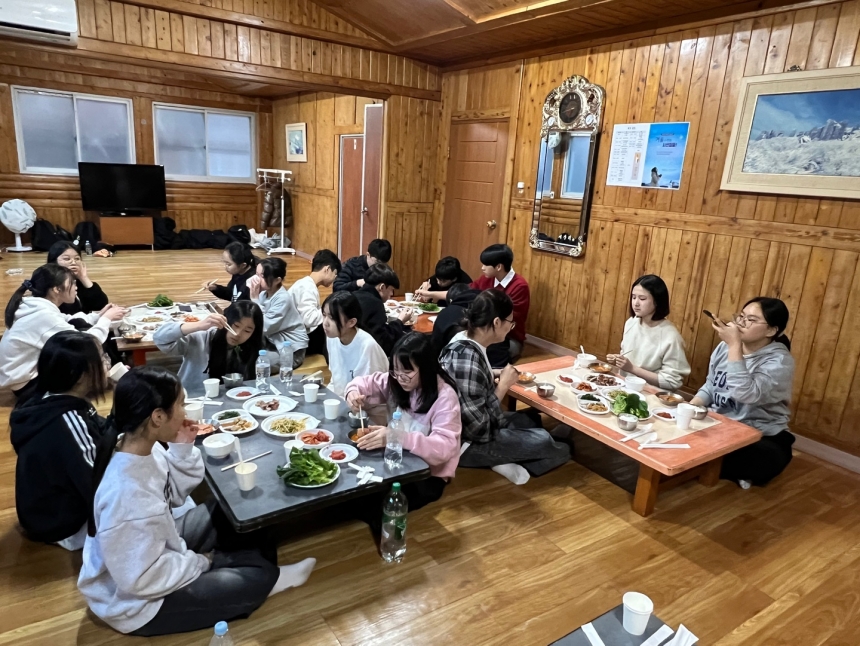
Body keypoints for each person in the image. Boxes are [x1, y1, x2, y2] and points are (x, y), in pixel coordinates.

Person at [78, 367, 316, 636]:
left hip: (157, 549)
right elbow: (140, 579)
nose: (186, 412)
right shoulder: (127, 495)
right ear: (158, 417)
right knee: (255, 575)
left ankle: (248, 564)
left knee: (239, 511)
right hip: (137, 602)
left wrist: (181, 448)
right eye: (181, 404)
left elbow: (174, 495)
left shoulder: (138, 445)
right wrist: (202, 561)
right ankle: (265, 577)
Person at [439, 290, 569, 485]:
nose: (511, 327)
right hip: (465, 444)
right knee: (547, 443)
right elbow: (478, 429)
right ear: (497, 322)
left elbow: (470, 382)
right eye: (510, 322)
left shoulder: (463, 339)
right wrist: (503, 386)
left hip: (470, 424)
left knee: (528, 419)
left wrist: (492, 373)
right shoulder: (467, 358)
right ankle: (504, 460)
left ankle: (511, 455)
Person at [11, 332, 111, 550]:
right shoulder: (68, 421)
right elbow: (100, 485)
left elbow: (100, 427)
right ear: (80, 376)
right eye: (102, 358)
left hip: (39, 513)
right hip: (64, 525)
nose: (107, 363)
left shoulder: (45, 400)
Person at [345, 333, 462, 512]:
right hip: (398, 459)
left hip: (428, 473)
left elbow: (444, 449)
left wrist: (397, 437)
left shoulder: (445, 398)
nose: (400, 378)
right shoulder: (397, 381)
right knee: (353, 484)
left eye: (407, 372)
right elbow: (365, 383)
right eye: (396, 371)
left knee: (378, 504)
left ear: (426, 367)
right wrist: (353, 392)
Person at [690, 297, 796, 488]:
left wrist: (734, 346)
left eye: (751, 320)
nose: (741, 322)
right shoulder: (724, 347)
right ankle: (716, 465)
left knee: (762, 459)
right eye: (741, 316)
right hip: (719, 425)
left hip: (761, 434)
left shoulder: (780, 362)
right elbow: (711, 384)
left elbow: (745, 394)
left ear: (771, 330)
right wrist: (691, 407)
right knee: (686, 437)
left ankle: (715, 464)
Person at [0, 265, 126, 401]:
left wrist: (99, 316)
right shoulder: (43, 316)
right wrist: (107, 319)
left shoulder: (32, 305)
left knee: (80, 326)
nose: (76, 287)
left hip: (22, 379)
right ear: (56, 289)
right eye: (72, 283)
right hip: (29, 387)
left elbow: (69, 320)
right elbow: (88, 343)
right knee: (84, 351)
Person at [153, 301, 264, 394]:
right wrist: (198, 325)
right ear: (226, 320)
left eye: (247, 331)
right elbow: (160, 339)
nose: (237, 334)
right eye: (236, 326)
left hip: (234, 400)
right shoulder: (201, 338)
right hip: (195, 399)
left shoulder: (253, 349)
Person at [606, 275, 691, 391]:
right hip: (624, 386)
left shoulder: (671, 336)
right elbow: (628, 354)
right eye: (633, 297)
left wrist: (632, 368)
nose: (636, 303)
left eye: (642, 299)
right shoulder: (631, 322)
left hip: (650, 393)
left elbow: (672, 382)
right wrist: (619, 359)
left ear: (657, 301)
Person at [469, 244, 530, 368]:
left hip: (508, 337)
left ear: (498, 267)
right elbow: (466, 292)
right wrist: (431, 293)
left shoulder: (520, 286)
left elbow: (509, 319)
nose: (482, 268)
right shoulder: (486, 278)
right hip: (484, 331)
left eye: (486, 265)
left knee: (484, 354)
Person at [322, 292, 387, 397]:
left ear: (351, 322)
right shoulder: (332, 337)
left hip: (362, 403)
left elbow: (374, 394)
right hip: (341, 400)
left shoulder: (367, 346)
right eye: (324, 315)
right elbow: (335, 381)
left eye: (332, 318)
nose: (325, 323)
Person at [249, 257, 308, 369]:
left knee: (256, 365)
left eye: (262, 276)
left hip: (291, 351)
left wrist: (255, 300)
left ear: (277, 280)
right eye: (256, 274)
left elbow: (265, 327)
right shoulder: (263, 294)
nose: (256, 279)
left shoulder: (283, 298)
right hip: (272, 343)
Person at [288, 249, 341, 358]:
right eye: (335, 274)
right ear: (327, 269)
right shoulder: (307, 287)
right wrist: (328, 312)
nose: (335, 279)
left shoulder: (305, 283)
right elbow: (309, 319)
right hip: (295, 341)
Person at [353, 262, 411, 355]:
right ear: (382, 287)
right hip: (365, 355)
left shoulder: (354, 295)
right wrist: (400, 321)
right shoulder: (375, 303)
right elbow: (384, 343)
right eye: (391, 290)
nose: (391, 294)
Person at [47, 241, 109, 315]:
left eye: (77, 258)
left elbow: (101, 305)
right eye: (67, 259)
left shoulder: (78, 282)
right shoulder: (48, 285)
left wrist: (84, 278)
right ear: (53, 262)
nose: (73, 262)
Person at [431, 282, 480, 355]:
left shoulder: (447, 312)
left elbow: (435, 342)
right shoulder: (480, 310)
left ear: (451, 300)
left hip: (447, 355)